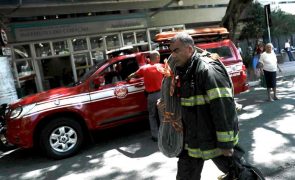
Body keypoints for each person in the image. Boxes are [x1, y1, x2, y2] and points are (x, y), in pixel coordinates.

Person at [168, 32, 256, 179]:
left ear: (189, 49)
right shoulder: (185, 72)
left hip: (214, 139)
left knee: (240, 173)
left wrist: (226, 143)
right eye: (172, 51)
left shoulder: (207, 70)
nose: (173, 55)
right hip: (192, 140)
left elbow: (223, 107)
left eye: (176, 50)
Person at [126, 50, 164, 142]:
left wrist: (127, 78)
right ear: (157, 57)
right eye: (159, 57)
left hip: (150, 96)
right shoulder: (161, 66)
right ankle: (164, 134)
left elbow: (133, 75)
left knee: (152, 116)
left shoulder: (144, 68)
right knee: (162, 116)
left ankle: (155, 135)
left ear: (149, 58)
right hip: (161, 94)